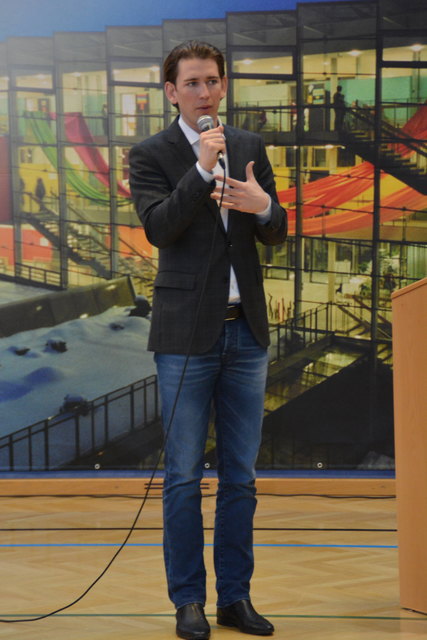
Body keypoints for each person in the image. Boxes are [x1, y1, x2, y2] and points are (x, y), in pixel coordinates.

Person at [129, 40, 287, 640]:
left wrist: (264, 206)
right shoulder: (150, 154)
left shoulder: (249, 146)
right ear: (172, 91)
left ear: (223, 86)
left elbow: (276, 232)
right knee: (182, 477)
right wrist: (200, 170)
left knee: (240, 476)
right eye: (192, 83)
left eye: (212, 81)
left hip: (246, 332)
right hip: (184, 336)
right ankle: (188, 602)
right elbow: (159, 228)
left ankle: (235, 598)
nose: (204, 92)